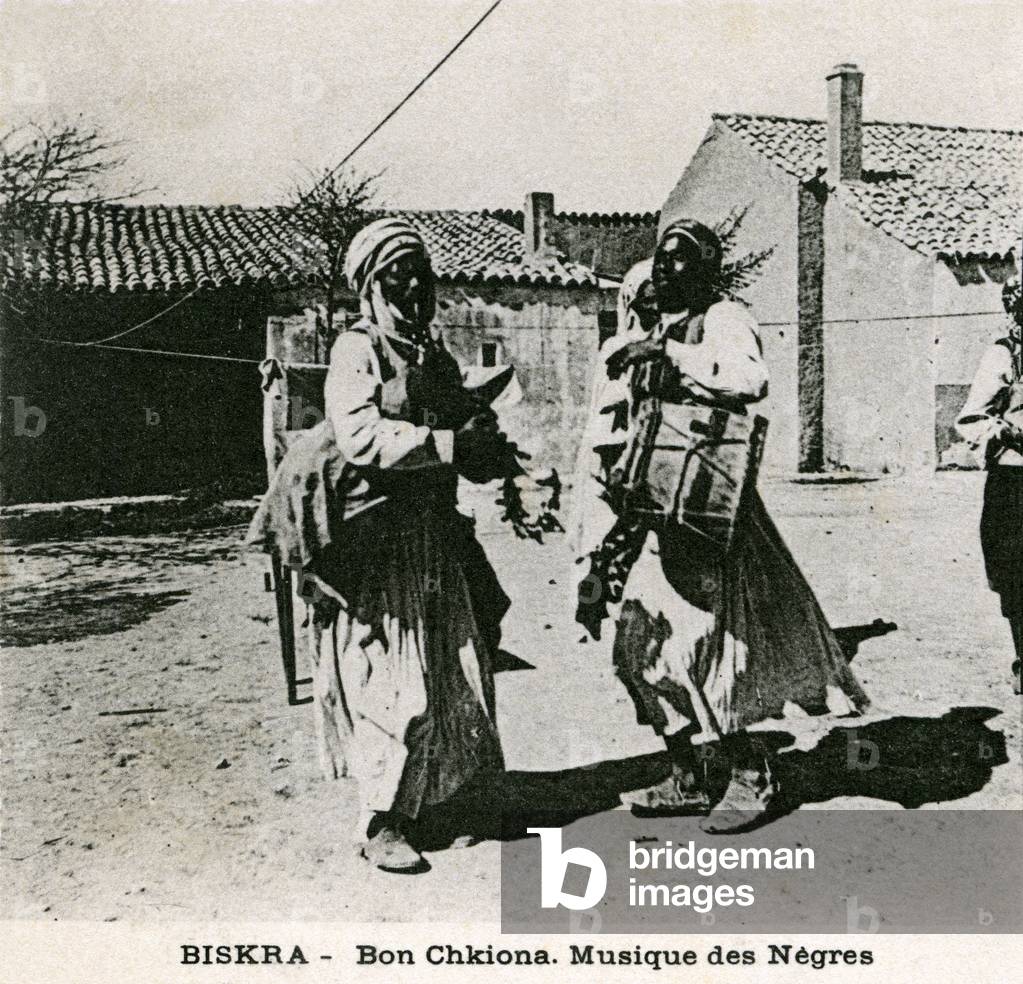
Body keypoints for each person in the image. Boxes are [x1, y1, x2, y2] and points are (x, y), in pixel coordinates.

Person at [581, 219, 869, 833]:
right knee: (637, 648)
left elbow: (749, 380)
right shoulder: (657, 326)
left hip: (714, 514)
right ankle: (688, 774)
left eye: (680, 259)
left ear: (707, 270)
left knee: (706, 651)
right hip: (661, 511)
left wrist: (670, 354)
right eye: (660, 258)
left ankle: (751, 771)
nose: (664, 267)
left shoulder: (724, 319)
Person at [251, 217, 519, 872]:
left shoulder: (434, 354)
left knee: (457, 665)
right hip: (377, 539)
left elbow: (458, 415)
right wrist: (451, 446)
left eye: (420, 278)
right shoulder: (356, 352)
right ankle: (382, 819)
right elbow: (359, 436)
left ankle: (441, 797)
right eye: (396, 277)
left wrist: (489, 448)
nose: (411, 289)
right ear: (371, 286)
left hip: (432, 535)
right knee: (391, 678)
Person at [956, 277, 1023, 695]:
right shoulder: (1004, 355)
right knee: (1017, 574)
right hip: (1017, 481)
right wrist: (1012, 430)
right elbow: (972, 420)